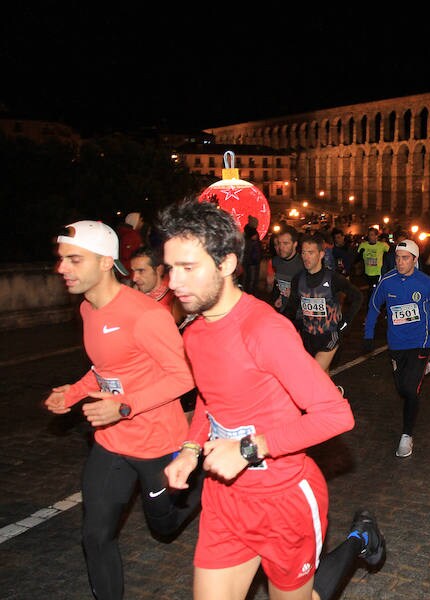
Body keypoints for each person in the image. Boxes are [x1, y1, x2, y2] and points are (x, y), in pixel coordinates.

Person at [159, 200, 384, 600]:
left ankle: (355, 542)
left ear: (227, 263)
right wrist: (191, 450)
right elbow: (211, 401)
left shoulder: (265, 330)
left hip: (283, 500)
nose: (174, 281)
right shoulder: (193, 334)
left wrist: (248, 449)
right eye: (170, 268)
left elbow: (336, 415)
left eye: (188, 268)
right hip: (224, 499)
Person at [45, 220, 201, 600]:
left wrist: (126, 406)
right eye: (62, 259)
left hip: (156, 444)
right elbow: (106, 369)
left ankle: (201, 487)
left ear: (104, 263)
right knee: (95, 535)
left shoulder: (145, 315)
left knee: (163, 527)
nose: (61, 268)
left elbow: (184, 378)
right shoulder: (87, 310)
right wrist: (76, 392)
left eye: (74, 260)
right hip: (111, 442)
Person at [362, 239, 430, 458]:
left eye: (405, 258)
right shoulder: (387, 281)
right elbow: (373, 308)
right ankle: (422, 368)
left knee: (410, 390)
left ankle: (407, 436)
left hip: (421, 342)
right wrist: (368, 335)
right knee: (402, 389)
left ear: (414, 260)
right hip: (396, 344)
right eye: (397, 258)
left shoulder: (425, 283)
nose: (400, 262)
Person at [285, 234, 363, 373]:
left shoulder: (333, 278)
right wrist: (284, 326)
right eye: (303, 252)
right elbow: (292, 307)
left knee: (313, 374)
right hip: (307, 336)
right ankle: (333, 394)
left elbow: (357, 296)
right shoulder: (298, 279)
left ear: (321, 254)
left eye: (311, 253)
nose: (306, 257)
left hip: (329, 335)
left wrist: (345, 323)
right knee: (322, 378)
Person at [266, 226, 303, 315]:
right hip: (283, 313)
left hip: (300, 316)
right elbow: (272, 290)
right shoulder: (275, 262)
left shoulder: (304, 264)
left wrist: (295, 293)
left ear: (295, 244)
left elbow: (316, 292)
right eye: (279, 243)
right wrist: (270, 285)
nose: (281, 247)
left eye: (286, 243)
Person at [357, 227, 390, 292]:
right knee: (370, 290)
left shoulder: (382, 245)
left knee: (376, 290)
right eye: (369, 235)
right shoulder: (363, 245)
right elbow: (358, 258)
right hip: (367, 272)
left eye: (372, 235)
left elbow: (391, 252)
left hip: (378, 273)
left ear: (376, 236)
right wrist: (361, 253)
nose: (370, 237)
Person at [240, 216, 262, 296]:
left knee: (247, 279)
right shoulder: (253, 234)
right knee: (252, 279)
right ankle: (251, 294)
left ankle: (246, 293)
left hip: (247, 259)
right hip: (253, 260)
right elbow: (255, 248)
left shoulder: (245, 233)